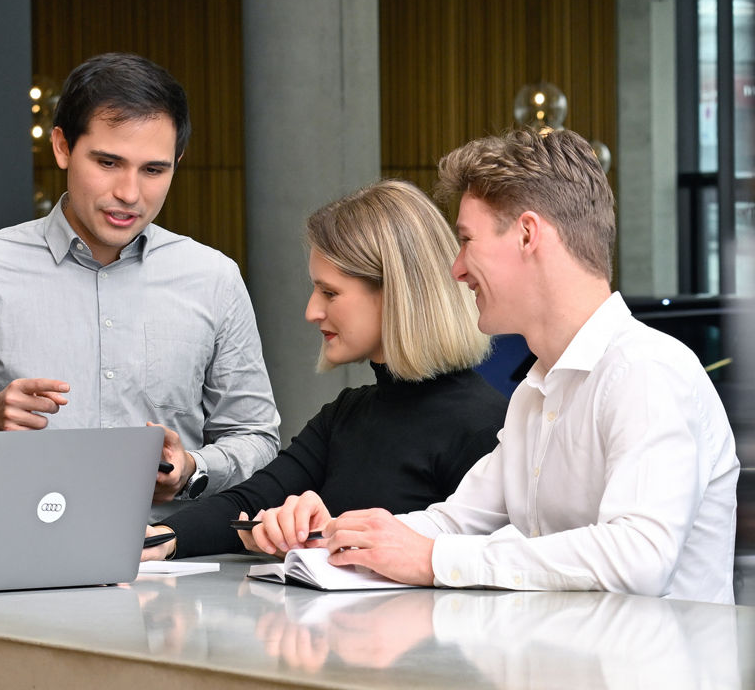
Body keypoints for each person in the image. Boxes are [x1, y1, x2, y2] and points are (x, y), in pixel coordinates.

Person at [259, 130, 740, 604]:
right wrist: (334, 539)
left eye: (467, 240)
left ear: (528, 234)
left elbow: (640, 558)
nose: (456, 268)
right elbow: (453, 521)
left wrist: (436, 560)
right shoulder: (536, 393)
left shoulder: (646, 370)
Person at [0, 53, 280, 520]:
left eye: (154, 170)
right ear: (61, 147)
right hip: (15, 568)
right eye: (108, 162)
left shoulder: (213, 279)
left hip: (170, 566)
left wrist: (193, 468)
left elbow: (258, 439)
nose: (129, 192)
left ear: (177, 162)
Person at [142, 180, 506, 560]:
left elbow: (480, 565)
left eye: (329, 292)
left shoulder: (484, 427)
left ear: (396, 293)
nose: (312, 311)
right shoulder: (345, 414)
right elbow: (252, 500)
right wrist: (160, 540)